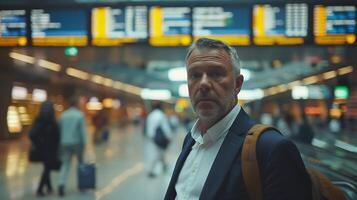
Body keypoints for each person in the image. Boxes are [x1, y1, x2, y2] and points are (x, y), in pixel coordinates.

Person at [164, 38, 312, 200]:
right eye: (195, 75)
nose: (204, 83)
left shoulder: (271, 149)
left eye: (216, 74)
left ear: (237, 84)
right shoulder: (191, 139)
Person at [29, 101, 60, 197]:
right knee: (47, 168)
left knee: (47, 167)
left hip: (40, 148)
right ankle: (40, 189)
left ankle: (49, 187)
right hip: (50, 149)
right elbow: (57, 136)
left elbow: (31, 134)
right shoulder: (52, 121)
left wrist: (38, 143)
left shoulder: (38, 119)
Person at [58, 97, 87, 196]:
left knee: (65, 164)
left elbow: (59, 129)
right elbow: (82, 132)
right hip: (77, 143)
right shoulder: (79, 115)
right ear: (76, 104)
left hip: (65, 142)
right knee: (80, 164)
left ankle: (61, 184)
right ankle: (82, 185)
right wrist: (84, 144)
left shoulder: (63, 115)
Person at [145, 101, 172, 178]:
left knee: (156, 153)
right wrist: (169, 137)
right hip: (159, 138)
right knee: (158, 153)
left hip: (151, 137)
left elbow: (147, 127)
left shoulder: (150, 115)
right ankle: (152, 170)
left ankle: (163, 166)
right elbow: (165, 127)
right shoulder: (161, 115)